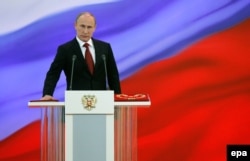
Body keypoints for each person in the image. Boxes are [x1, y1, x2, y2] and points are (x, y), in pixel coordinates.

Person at [41, 12, 121, 100]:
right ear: (75, 25)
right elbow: (53, 74)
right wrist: (47, 93)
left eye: (89, 27)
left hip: (100, 101)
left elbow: (113, 75)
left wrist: (117, 96)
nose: (85, 31)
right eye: (82, 26)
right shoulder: (65, 49)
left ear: (94, 28)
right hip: (76, 102)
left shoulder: (105, 48)